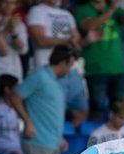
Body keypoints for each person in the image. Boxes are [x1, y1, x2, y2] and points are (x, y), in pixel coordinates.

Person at [27, 0, 88, 128]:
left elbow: (76, 39)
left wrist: (73, 41)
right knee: (52, 112)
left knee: (81, 111)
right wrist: (67, 41)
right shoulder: (37, 11)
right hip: (50, 71)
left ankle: (75, 145)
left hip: (71, 70)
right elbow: (41, 40)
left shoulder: (67, 14)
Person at [76, 0, 124, 121]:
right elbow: (89, 25)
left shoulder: (114, 9)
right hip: (96, 69)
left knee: (122, 109)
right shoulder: (83, 10)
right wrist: (112, 9)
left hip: (118, 67)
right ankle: (97, 139)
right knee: (98, 109)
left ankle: (123, 139)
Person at [0, 74, 23, 154]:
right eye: (16, 87)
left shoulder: (19, 107)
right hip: (3, 147)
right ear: (7, 90)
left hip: (18, 145)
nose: (19, 91)